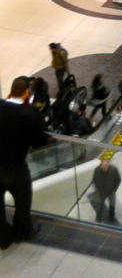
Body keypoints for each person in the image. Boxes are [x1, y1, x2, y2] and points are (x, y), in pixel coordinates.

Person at [0, 75, 47, 247]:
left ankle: (3, 238)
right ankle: (22, 232)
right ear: (27, 92)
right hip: (16, 168)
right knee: (22, 200)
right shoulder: (30, 114)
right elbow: (40, 141)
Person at [92, 157, 121, 224]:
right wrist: (97, 189)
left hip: (111, 191)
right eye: (104, 167)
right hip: (101, 192)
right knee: (100, 205)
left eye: (107, 166)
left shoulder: (113, 170)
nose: (106, 168)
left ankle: (111, 217)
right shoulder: (97, 170)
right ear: (101, 166)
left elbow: (118, 179)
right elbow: (94, 180)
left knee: (112, 204)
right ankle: (98, 219)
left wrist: (114, 189)